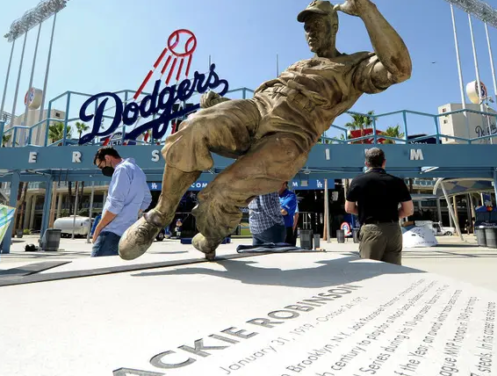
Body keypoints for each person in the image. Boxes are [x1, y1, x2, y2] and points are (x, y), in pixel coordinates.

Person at [118, 0, 412, 261]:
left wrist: (366, 9)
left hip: (291, 134)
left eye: (317, 24)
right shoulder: (297, 65)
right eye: (307, 26)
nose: (310, 31)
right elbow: (269, 100)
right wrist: (222, 104)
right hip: (255, 109)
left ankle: (212, 233)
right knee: (193, 126)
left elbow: (400, 69)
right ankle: (160, 214)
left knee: (223, 189)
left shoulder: (352, 66)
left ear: (334, 25)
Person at [345, 148, 413, 265]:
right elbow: (408, 210)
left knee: (370, 270)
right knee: (394, 271)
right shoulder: (397, 182)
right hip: (393, 230)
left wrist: (363, 212)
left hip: (371, 230)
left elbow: (349, 208)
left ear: (366, 163)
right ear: (384, 162)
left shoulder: (358, 181)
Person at [92, 146, 152, 257]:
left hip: (111, 232)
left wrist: (98, 228)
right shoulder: (137, 170)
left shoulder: (121, 170)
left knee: (94, 271)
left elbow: (115, 204)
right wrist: (130, 213)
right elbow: (147, 199)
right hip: (127, 234)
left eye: (101, 166)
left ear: (108, 158)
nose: (102, 169)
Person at [279, 182, 298, 246]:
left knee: (287, 253)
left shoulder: (291, 196)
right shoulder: (273, 195)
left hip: (286, 229)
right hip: (274, 229)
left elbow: (284, 212)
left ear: (284, 184)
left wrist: (272, 209)